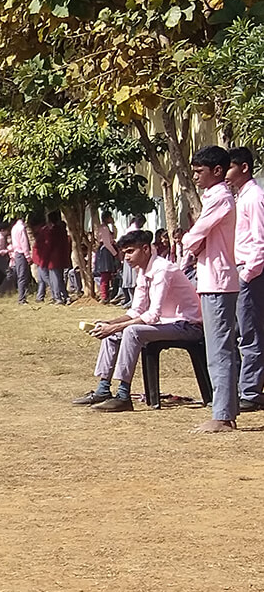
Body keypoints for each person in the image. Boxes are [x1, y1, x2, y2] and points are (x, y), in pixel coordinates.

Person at [73, 229, 205, 412]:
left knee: (131, 331)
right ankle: (103, 389)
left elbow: (152, 315)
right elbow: (137, 310)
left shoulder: (163, 269)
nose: (126, 257)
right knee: (113, 333)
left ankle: (123, 395)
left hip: (187, 325)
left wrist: (116, 327)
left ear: (145, 249)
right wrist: (110, 324)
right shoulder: (142, 271)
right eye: (124, 252)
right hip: (167, 323)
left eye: (130, 251)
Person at [183, 145, 242, 432]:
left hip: (219, 280)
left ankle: (223, 414)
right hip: (212, 279)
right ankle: (225, 408)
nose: (195, 176)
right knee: (219, 348)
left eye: (199, 171)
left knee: (220, 349)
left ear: (217, 171)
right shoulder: (214, 197)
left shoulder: (220, 197)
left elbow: (196, 234)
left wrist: (190, 244)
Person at [229, 148, 264, 413]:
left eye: (228, 168)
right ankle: (247, 388)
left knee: (249, 333)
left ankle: (250, 392)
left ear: (244, 167)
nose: (225, 175)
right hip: (240, 271)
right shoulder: (241, 197)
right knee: (241, 331)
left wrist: (246, 273)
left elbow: (260, 241)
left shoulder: (254, 198)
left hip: (249, 273)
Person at [93, 212, 119, 302]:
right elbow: (107, 243)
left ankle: (107, 295)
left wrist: (113, 225)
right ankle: (104, 295)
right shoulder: (103, 228)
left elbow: (114, 236)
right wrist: (115, 253)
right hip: (106, 251)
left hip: (108, 250)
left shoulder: (107, 228)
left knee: (109, 274)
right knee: (105, 273)